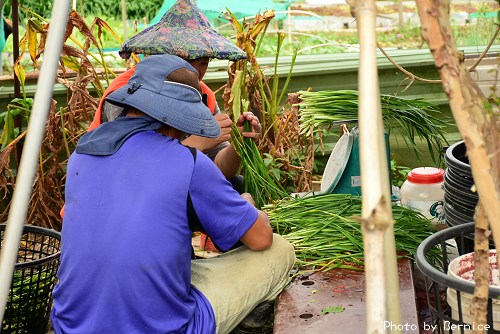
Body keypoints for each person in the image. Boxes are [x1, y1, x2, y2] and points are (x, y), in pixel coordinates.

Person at [51, 54, 296, 334]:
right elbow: (260, 238)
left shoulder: (82, 153)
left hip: (70, 326)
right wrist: (248, 205)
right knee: (279, 250)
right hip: (164, 329)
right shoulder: (187, 162)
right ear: (176, 116)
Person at [88, 0, 258, 184]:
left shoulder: (203, 95)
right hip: (109, 195)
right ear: (163, 55)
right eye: (187, 61)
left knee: (236, 184)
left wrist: (238, 145)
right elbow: (135, 172)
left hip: (165, 187)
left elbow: (218, 169)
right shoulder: (128, 93)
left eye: (203, 63)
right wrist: (199, 141)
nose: (196, 72)